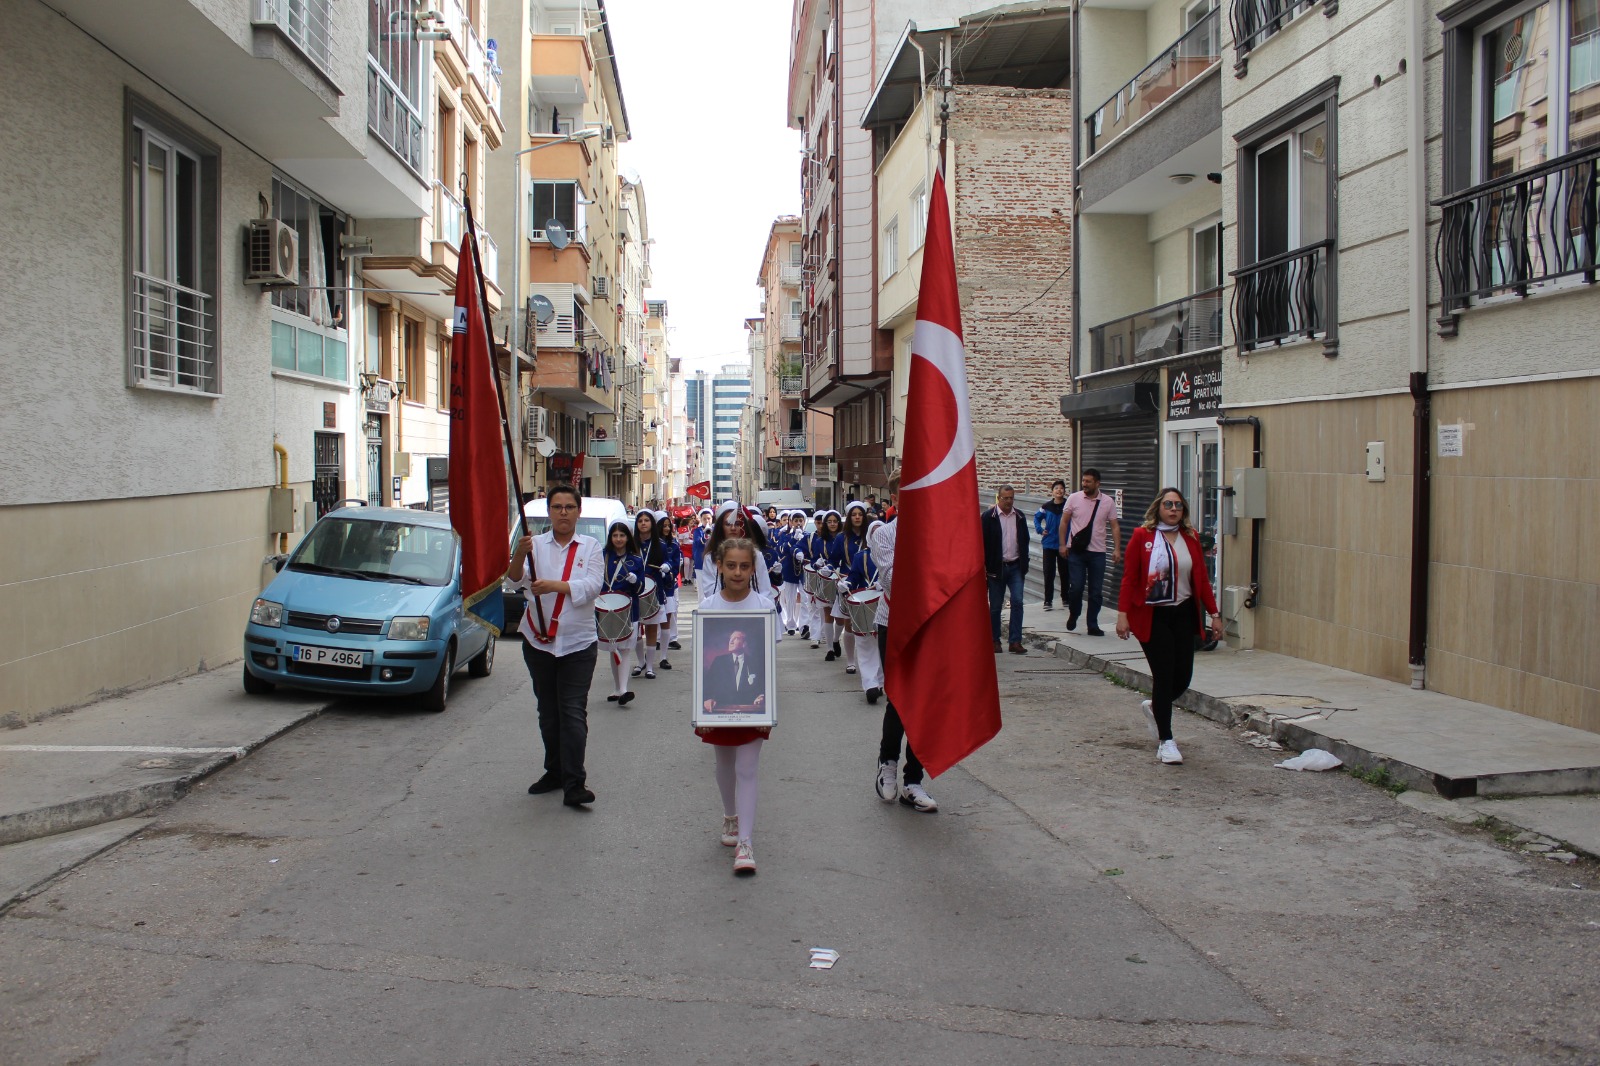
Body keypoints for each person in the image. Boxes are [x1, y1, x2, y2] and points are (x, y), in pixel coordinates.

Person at [509, 483, 604, 807]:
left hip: (578, 644)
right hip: (538, 643)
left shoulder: (591, 547)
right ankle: (554, 771)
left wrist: (554, 586)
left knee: (573, 712)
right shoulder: (534, 545)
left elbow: (593, 586)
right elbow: (513, 580)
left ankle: (575, 783)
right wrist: (518, 554)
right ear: (549, 512)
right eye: (557, 507)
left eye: (569, 507)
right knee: (548, 713)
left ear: (578, 511)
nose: (563, 513)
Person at [1115, 488, 1223, 766]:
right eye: (1168, 504)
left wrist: (1214, 614)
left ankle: (1156, 707)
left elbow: (1201, 579)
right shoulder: (1143, 536)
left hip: (1183, 612)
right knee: (1163, 675)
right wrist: (1123, 615)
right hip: (1153, 614)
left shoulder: (1191, 537)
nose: (1173, 509)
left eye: (1178, 505)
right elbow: (1129, 578)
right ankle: (1167, 741)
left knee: (1183, 676)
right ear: (1158, 508)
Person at [694, 537, 781, 876]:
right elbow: (704, 672)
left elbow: (769, 662)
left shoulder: (765, 606)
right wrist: (703, 704)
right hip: (718, 709)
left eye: (744, 566)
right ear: (719, 566)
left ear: (753, 568)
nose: (738, 572)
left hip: (754, 708)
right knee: (724, 763)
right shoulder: (707, 607)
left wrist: (766, 703)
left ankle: (745, 842)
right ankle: (730, 815)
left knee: (747, 767)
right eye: (731, 565)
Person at [868, 515, 936, 811]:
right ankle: (888, 764)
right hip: (893, 622)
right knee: (898, 698)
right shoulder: (884, 534)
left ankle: (913, 780)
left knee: (924, 702)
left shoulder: (935, 529)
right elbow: (892, 581)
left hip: (928, 623)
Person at [1062, 468, 1123, 636]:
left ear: (1097, 483)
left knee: (1096, 592)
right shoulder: (1074, 498)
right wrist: (1062, 544)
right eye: (1083, 481)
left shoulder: (1108, 502)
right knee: (1076, 587)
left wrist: (1117, 549)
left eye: (1088, 481)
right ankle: (1074, 613)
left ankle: (1092, 624)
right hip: (1077, 552)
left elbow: (1114, 526)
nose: (1084, 484)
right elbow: (1064, 522)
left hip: (1098, 553)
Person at [598, 521, 643, 706]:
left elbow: (640, 589)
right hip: (607, 607)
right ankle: (617, 688)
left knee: (624, 648)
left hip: (628, 609)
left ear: (628, 537)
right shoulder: (602, 556)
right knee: (613, 648)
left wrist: (635, 580)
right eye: (615, 536)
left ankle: (623, 689)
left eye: (622, 535)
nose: (618, 539)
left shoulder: (636, 560)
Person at [982, 485, 1030, 654]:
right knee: (996, 606)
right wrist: (985, 566)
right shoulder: (988, 517)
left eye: (1011, 498)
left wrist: (1025, 563)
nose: (1009, 501)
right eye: (1005, 498)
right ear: (999, 498)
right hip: (997, 568)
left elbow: (1025, 540)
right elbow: (982, 542)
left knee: (1017, 601)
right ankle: (995, 640)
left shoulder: (1020, 516)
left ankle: (1015, 641)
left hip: (1016, 566)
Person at [845, 519, 885, 704]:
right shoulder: (860, 556)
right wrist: (846, 584)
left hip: (886, 606)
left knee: (882, 645)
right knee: (864, 643)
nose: (877, 535)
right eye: (874, 532)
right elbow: (853, 576)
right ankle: (870, 685)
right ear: (869, 535)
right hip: (864, 604)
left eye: (880, 531)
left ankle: (880, 682)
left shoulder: (894, 555)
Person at [632, 510, 666, 680]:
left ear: (652, 523)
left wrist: (667, 566)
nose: (643, 523)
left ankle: (650, 667)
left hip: (654, 591)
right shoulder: (632, 544)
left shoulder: (660, 544)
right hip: (635, 590)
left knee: (652, 628)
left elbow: (668, 561)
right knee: (636, 629)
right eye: (640, 521)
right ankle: (640, 662)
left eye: (646, 520)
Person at [702, 627, 766, 712]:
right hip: (721, 709)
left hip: (748, 710)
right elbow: (708, 684)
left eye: (736, 638)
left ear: (744, 644)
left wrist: (761, 696)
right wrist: (708, 699)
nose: (731, 641)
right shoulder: (719, 661)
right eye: (730, 638)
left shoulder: (755, 663)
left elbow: (762, 686)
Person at [1033, 479, 1068, 612]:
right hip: (1049, 544)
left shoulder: (1068, 505)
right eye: (1056, 488)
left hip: (1064, 544)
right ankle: (1048, 600)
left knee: (1065, 572)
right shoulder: (1046, 506)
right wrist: (1040, 530)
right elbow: (1036, 518)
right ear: (1052, 492)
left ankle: (1066, 598)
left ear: (1064, 491)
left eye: (1061, 488)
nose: (1059, 490)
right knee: (1049, 573)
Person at [818, 509, 848, 660]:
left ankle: (836, 639)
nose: (832, 524)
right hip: (826, 579)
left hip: (842, 579)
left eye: (835, 521)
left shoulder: (844, 538)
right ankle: (829, 649)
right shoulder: (819, 540)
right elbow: (814, 559)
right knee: (828, 612)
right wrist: (818, 565)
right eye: (829, 522)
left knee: (840, 616)